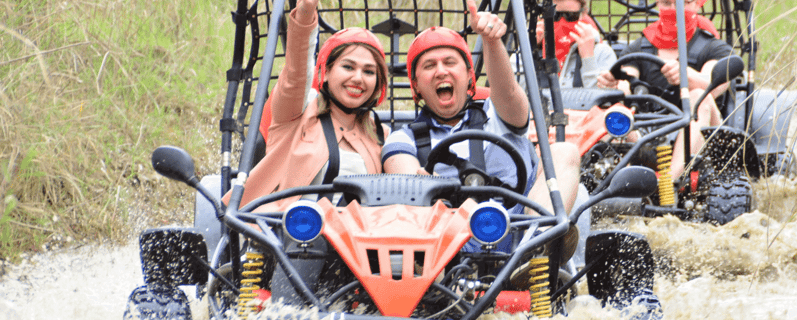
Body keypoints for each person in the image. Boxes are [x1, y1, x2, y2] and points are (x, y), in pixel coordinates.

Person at [382, 0, 582, 252]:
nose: (441, 71)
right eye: (429, 66)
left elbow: (508, 92)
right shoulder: (403, 139)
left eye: (450, 62)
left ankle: (538, 245)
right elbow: (408, 182)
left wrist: (491, 41)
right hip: (449, 242)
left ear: (469, 77)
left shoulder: (497, 114)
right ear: (416, 86)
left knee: (564, 151)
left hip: (518, 229)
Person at [228, 0, 389, 211]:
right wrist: (306, 12)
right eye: (348, 67)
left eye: (368, 72)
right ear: (326, 72)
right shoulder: (297, 113)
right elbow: (296, 74)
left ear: (378, 82)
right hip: (288, 227)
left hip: (355, 230)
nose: (358, 78)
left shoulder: (380, 135)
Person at [596, 0, 733, 179]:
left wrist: (687, 76)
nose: (674, 9)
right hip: (646, 133)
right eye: (667, 3)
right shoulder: (639, 47)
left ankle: (671, 183)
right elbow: (626, 82)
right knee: (615, 110)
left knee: (700, 96)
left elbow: (715, 83)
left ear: (697, 4)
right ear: (658, 4)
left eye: (683, 3)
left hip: (701, 135)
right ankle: (618, 179)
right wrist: (614, 83)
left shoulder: (713, 48)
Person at [517, 0, 617, 88]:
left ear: (583, 15)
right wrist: (527, 48)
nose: (562, 21)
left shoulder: (601, 52)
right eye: (555, 16)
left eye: (571, 16)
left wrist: (588, 58)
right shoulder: (534, 48)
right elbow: (513, 91)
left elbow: (605, 100)